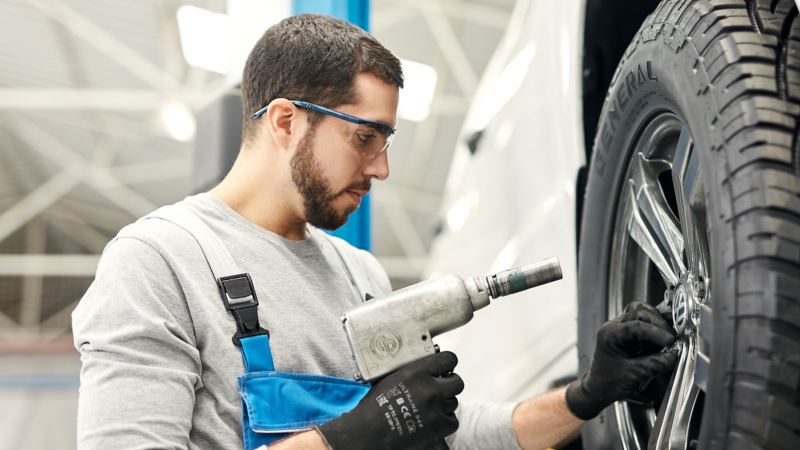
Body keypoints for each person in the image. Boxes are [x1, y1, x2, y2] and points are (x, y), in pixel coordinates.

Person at [72, 14, 678, 450]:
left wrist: (587, 395)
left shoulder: (358, 274)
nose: (381, 168)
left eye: (387, 143)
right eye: (364, 137)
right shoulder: (159, 261)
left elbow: (458, 432)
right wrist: (348, 436)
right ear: (286, 121)